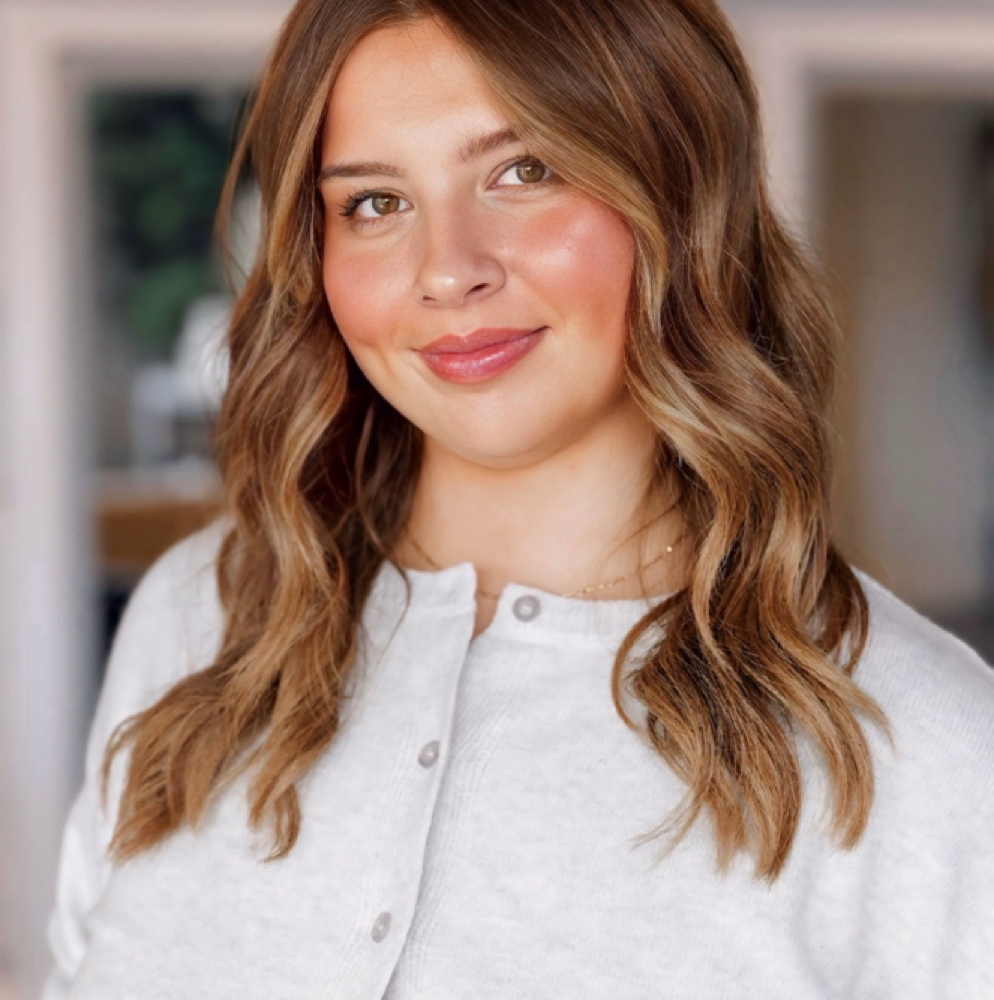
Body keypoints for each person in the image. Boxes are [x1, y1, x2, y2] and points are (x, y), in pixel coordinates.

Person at [43, 1, 994, 997]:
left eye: (524, 171)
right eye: (373, 202)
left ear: (680, 196)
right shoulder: (200, 617)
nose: (447, 269)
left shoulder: (920, 749)